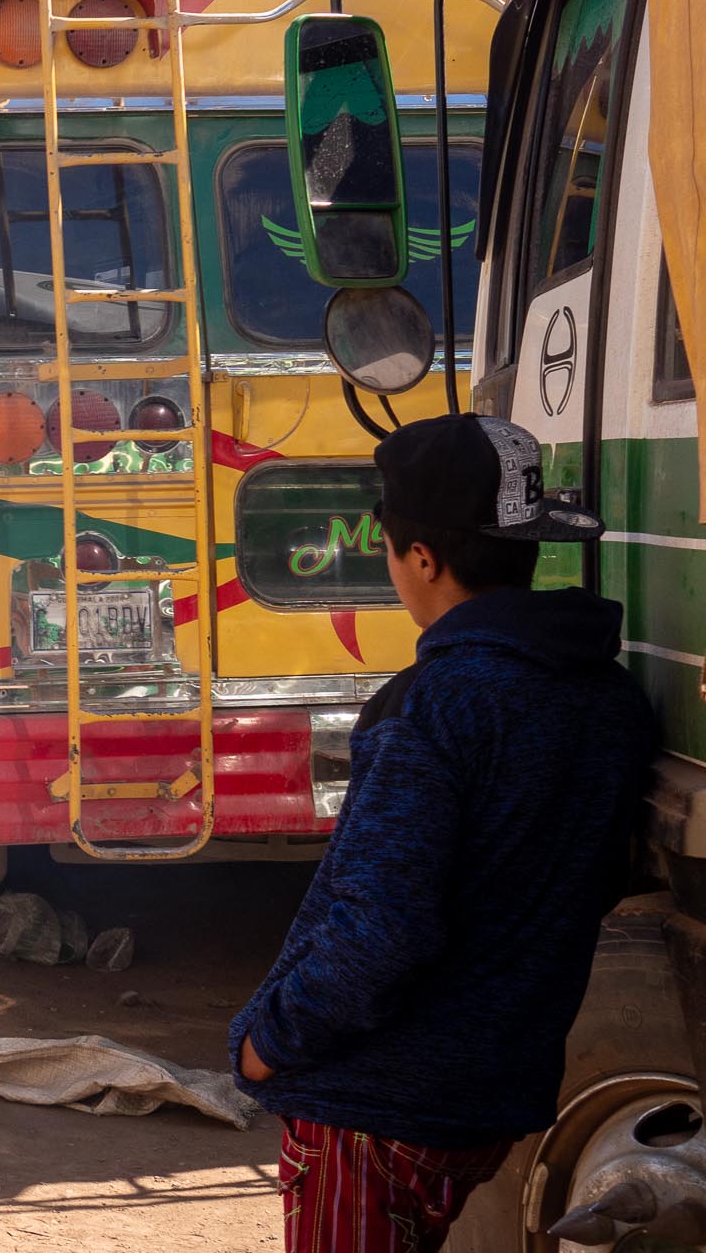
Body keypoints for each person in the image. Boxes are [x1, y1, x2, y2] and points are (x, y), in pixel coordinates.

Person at [228, 414, 654, 1253]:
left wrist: (266, 1044)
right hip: (488, 1093)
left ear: (421, 558)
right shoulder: (608, 698)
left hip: (376, 1104)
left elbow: (382, 927)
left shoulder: (435, 705)